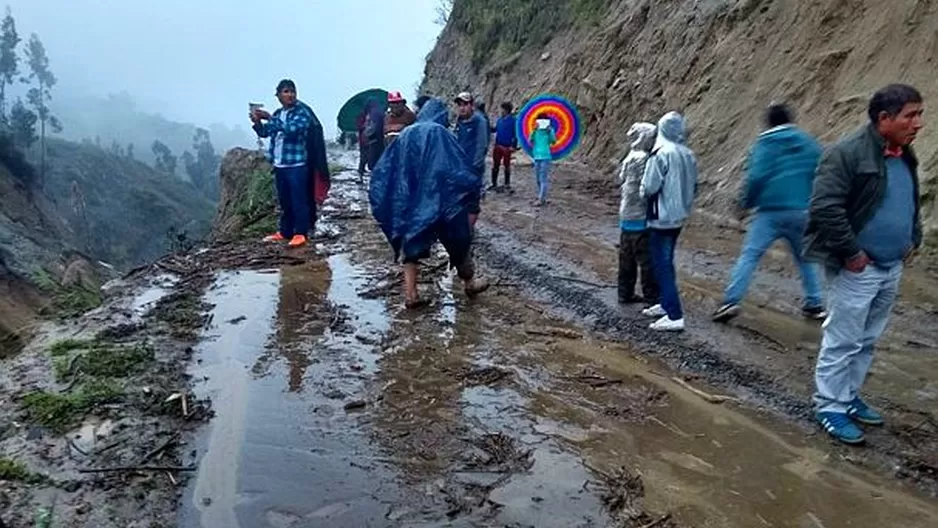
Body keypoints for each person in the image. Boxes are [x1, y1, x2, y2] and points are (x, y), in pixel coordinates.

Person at [805, 84, 924, 445]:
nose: (918, 123)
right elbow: (825, 207)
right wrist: (852, 253)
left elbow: (909, 200)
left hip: (890, 265)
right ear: (884, 118)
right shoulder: (847, 153)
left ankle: (849, 396)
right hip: (858, 267)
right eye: (910, 115)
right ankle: (829, 405)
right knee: (843, 339)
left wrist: (912, 238)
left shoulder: (903, 153)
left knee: (867, 339)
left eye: (919, 114)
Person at [369, 98, 491, 308]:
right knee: (460, 243)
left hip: (415, 204)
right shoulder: (441, 133)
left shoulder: (405, 134)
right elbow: (457, 166)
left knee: (411, 245)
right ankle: (470, 283)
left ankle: (411, 294)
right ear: (441, 116)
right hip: (444, 203)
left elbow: (390, 169)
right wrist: (472, 187)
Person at [713, 104, 826, 323]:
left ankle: (731, 300)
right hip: (802, 210)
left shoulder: (765, 144)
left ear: (769, 122)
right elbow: (822, 173)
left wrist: (747, 203)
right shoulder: (810, 144)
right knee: (805, 258)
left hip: (770, 212)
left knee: (750, 255)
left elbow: (757, 177)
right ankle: (815, 303)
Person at [640, 111, 698, 331]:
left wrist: (642, 189)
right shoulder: (688, 154)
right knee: (666, 260)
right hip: (679, 215)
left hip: (660, 216)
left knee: (661, 264)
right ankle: (665, 304)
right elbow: (694, 186)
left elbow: (650, 187)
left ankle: (674, 314)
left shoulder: (660, 154)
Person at [251, 79, 319, 248]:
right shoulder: (278, 113)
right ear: (278, 95)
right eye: (286, 92)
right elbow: (266, 133)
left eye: (292, 91)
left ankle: (301, 233)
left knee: (299, 199)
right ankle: (285, 231)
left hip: (296, 164)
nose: (291, 95)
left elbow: (293, 130)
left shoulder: (302, 113)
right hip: (280, 164)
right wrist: (258, 122)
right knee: (285, 201)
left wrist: (270, 118)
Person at [617, 122, 659, 305]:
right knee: (647, 262)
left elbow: (621, 179)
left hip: (626, 215)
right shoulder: (644, 159)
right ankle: (652, 297)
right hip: (641, 218)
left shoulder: (630, 156)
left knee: (626, 261)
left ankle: (624, 293)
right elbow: (647, 188)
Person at [453, 92, 490, 226]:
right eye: (459, 105)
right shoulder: (459, 121)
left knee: (472, 201)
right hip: (460, 167)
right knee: (460, 199)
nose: (462, 108)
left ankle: (469, 230)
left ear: (471, 105)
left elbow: (482, 145)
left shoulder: (479, 121)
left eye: (465, 104)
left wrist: (475, 167)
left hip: (473, 168)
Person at [528, 112, 557, 206]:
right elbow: (530, 140)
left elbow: (553, 141)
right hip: (537, 156)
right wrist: (534, 130)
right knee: (538, 179)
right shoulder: (536, 130)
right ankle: (542, 197)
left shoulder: (550, 130)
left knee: (543, 178)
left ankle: (541, 199)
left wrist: (549, 132)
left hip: (545, 156)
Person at [491, 102, 518, 192]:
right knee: (495, 165)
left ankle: (507, 184)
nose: (500, 111)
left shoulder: (513, 121)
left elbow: (516, 134)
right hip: (498, 145)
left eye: (502, 109)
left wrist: (513, 146)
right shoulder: (500, 120)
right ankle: (494, 184)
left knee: (507, 165)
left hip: (507, 147)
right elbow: (495, 129)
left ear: (506, 110)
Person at [364, 98, 385, 171]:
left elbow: (372, 128)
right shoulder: (381, 112)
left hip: (374, 139)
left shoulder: (373, 114)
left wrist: (366, 131)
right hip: (382, 139)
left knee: (373, 161)